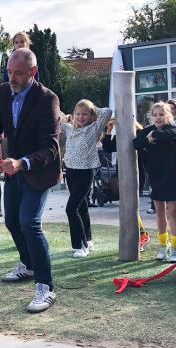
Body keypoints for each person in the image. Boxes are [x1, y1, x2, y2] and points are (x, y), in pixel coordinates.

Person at [0, 48, 61, 313]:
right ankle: (28, 265)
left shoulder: (48, 99)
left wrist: (21, 162)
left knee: (29, 223)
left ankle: (45, 287)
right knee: (12, 221)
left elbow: (51, 148)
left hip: (39, 171)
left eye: (18, 74)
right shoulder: (3, 91)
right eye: (9, 72)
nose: (12, 78)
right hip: (13, 169)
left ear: (33, 72)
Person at [60, 99, 112, 257]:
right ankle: (88, 239)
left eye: (85, 114)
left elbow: (108, 112)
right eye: (78, 114)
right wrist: (63, 117)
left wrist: (91, 106)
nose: (81, 117)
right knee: (81, 208)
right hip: (70, 172)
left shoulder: (94, 128)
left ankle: (81, 246)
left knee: (71, 209)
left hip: (85, 172)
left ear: (91, 116)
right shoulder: (69, 129)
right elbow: (56, 117)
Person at [134, 102, 176, 263]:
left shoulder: (172, 128)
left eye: (161, 114)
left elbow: (171, 135)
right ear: (151, 116)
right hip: (156, 177)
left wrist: (152, 137)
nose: (158, 117)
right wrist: (147, 139)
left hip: (172, 177)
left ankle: (175, 247)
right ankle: (163, 245)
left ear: (168, 115)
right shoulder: (148, 130)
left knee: (172, 212)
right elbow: (135, 143)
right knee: (159, 212)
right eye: (155, 115)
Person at [102, 119, 152, 252]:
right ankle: (140, 234)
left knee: (131, 205)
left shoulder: (141, 133)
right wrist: (108, 131)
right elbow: (108, 148)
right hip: (123, 173)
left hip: (137, 173)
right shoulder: (120, 134)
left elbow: (142, 149)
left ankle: (142, 234)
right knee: (126, 205)